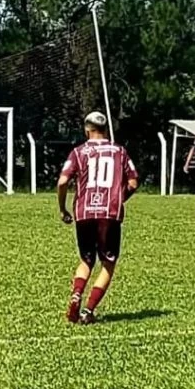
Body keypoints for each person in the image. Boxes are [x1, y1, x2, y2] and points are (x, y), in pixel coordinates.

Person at [57, 111, 138, 325]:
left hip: (83, 212)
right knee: (108, 263)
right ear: (104, 129)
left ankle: (76, 294)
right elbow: (133, 183)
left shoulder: (78, 152)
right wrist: (119, 199)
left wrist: (63, 209)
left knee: (86, 260)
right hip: (109, 213)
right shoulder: (119, 151)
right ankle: (88, 311)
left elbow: (63, 181)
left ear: (87, 129)